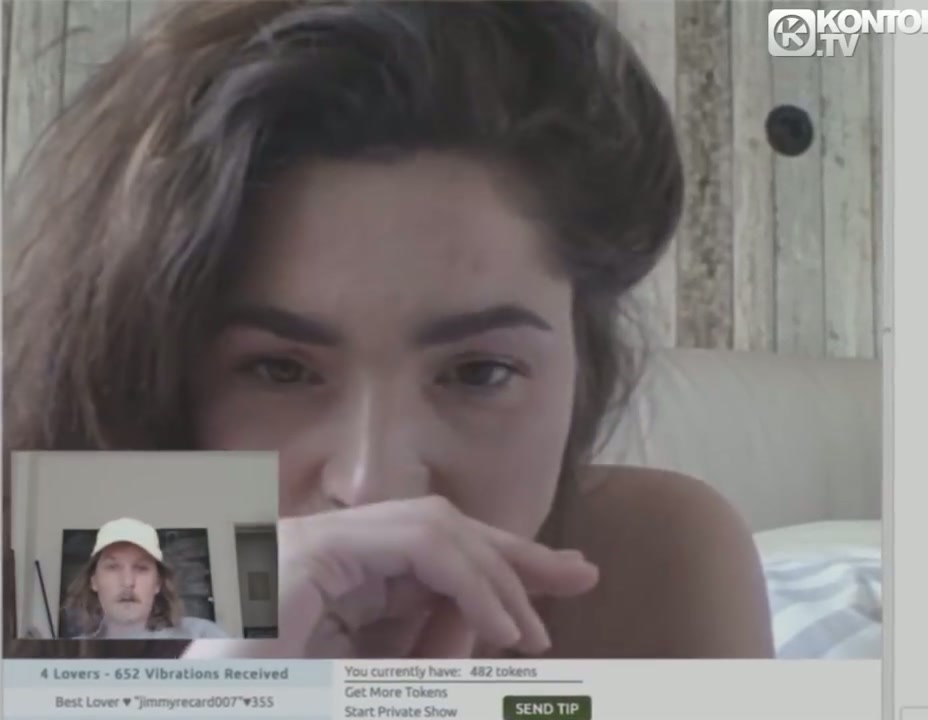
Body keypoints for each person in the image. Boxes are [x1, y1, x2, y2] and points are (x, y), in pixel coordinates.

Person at [3, 0, 773, 659]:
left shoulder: (646, 562)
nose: (374, 487)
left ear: (582, 364)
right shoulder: (83, 556)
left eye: (480, 373)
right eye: (279, 370)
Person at [61, 518, 229, 640]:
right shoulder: (68, 658)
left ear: (158, 583)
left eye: (141, 568)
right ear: (94, 581)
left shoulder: (203, 637)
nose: (128, 582)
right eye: (112, 567)